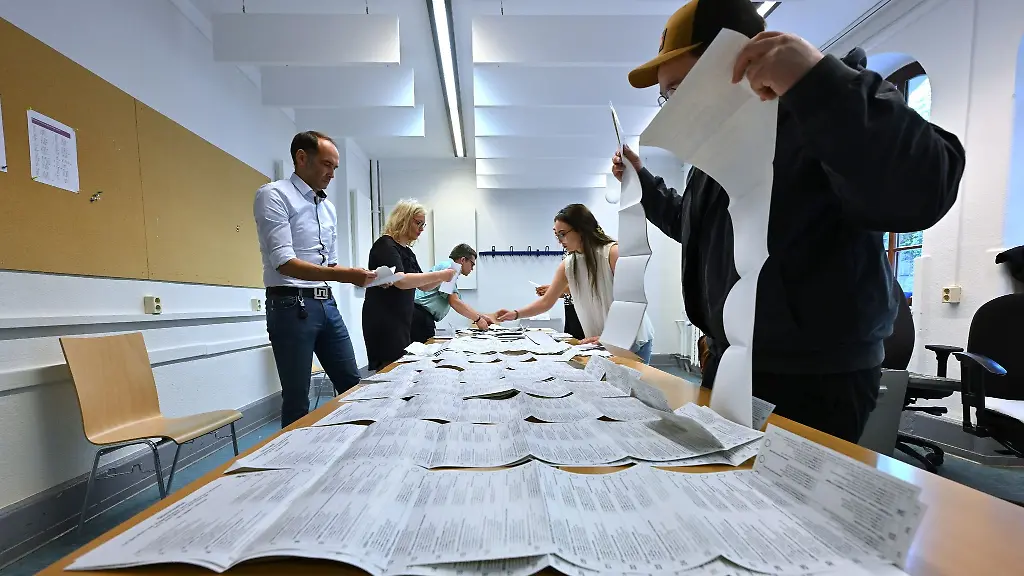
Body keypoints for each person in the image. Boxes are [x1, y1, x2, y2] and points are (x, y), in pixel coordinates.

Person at [614, 0, 965, 441]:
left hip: (813, 377)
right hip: (732, 360)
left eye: (680, 87)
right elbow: (692, 224)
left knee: (796, 506)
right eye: (666, 95)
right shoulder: (718, 153)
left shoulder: (822, 108)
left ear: (738, 60)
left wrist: (818, 80)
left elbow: (924, 188)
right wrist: (643, 183)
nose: (672, 106)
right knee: (723, 493)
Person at [253, 131, 377, 427]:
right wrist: (346, 275)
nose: (332, 174)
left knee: (352, 384)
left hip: (325, 305)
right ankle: (291, 468)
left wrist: (364, 276)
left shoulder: (328, 208)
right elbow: (284, 263)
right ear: (301, 157)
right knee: (297, 398)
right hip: (289, 304)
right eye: (326, 165)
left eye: (335, 167)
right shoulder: (274, 195)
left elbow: (328, 264)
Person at [496, 204, 655, 363]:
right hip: (601, 343)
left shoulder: (613, 253)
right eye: (557, 235)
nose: (560, 241)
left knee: (633, 385)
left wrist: (610, 336)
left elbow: (633, 303)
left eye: (563, 234)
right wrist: (515, 314)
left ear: (581, 229)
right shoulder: (568, 264)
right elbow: (546, 302)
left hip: (631, 338)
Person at [362, 200, 457, 371]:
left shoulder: (407, 251)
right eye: (417, 222)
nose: (421, 228)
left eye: (423, 224)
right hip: (384, 319)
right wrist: (441, 274)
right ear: (403, 220)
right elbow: (401, 281)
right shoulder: (385, 245)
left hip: (402, 319)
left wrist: (445, 277)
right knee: (389, 369)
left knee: (400, 367)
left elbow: (423, 286)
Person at [412, 244, 497, 341]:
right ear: (463, 260)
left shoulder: (448, 267)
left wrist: (481, 317)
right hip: (420, 316)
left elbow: (458, 302)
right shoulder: (449, 268)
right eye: (472, 264)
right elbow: (455, 302)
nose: (472, 268)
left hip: (421, 315)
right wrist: (478, 320)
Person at [534, 249, 586, 340]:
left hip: (583, 307)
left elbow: (584, 286)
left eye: (562, 234)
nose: (560, 240)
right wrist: (553, 292)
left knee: (583, 343)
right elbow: (570, 289)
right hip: (570, 307)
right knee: (571, 340)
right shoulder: (567, 254)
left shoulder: (586, 253)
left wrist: (553, 290)